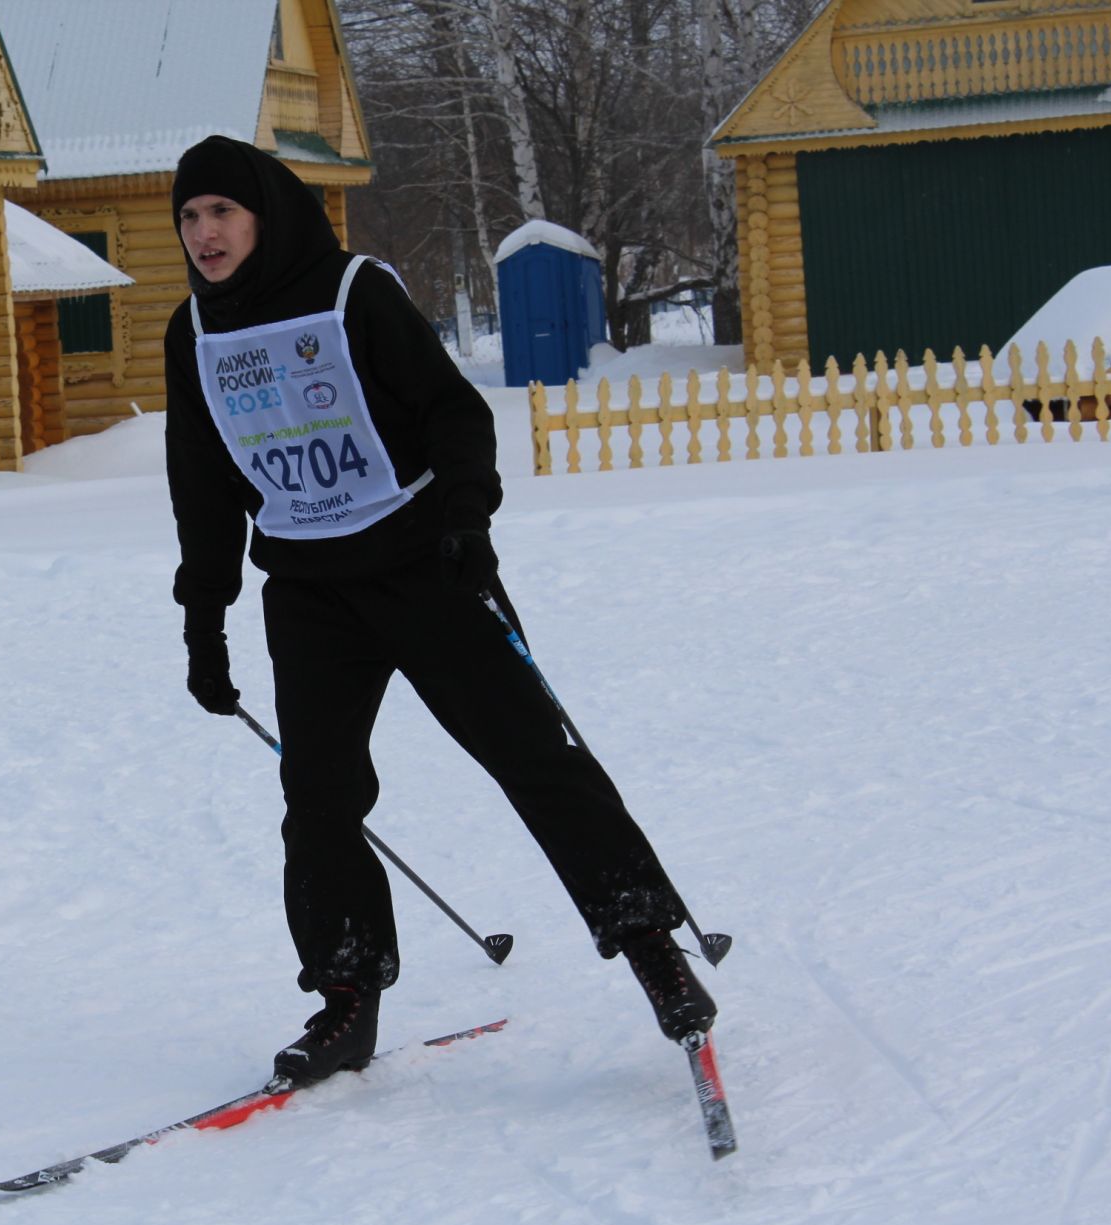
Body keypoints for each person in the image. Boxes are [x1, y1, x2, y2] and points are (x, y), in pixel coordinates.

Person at [161, 134, 717, 1087]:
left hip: (423, 564)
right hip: (307, 589)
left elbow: (453, 414)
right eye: (188, 218)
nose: (204, 234)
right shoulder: (196, 331)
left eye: (221, 212)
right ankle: (345, 1002)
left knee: (532, 758)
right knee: (320, 799)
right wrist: (204, 619)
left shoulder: (353, 293)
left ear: (264, 213)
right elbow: (203, 483)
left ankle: (651, 946)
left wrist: (466, 520)